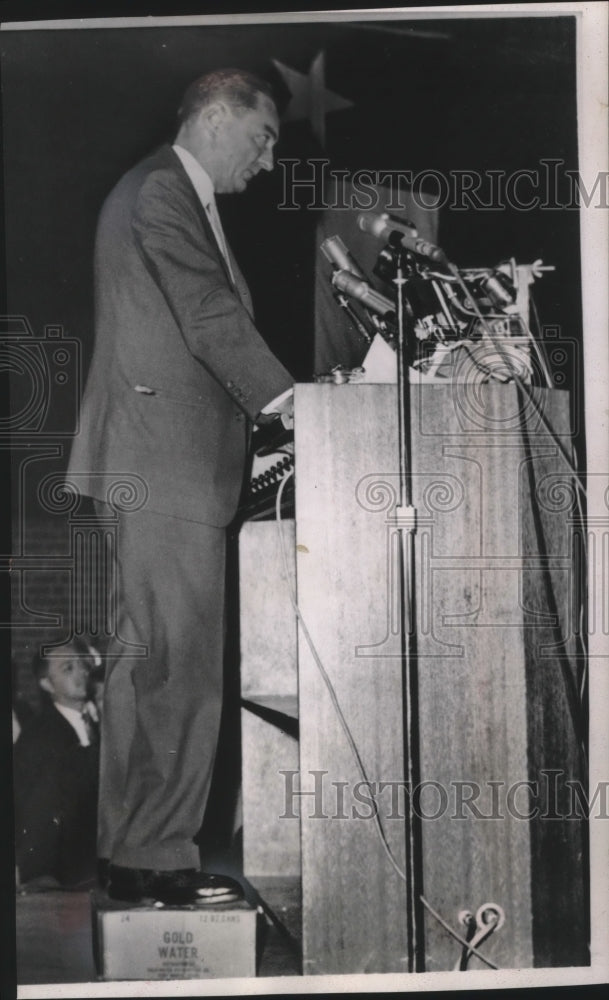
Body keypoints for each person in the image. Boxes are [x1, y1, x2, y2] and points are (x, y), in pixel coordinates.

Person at [66, 69, 293, 906]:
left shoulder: (159, 192)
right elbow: (206, 312)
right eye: (263, 137)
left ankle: (137, 852)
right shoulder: (164, 190)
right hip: (162, 466)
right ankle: (157, 858)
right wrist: (285, 401)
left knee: (148, 662)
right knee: (177, 667)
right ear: (217, 115)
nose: (268, 161)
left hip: (154, 465)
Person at [13, 640, 101, 888]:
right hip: (65, 878)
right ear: (46, 684)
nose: (82, 672)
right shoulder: (38, 738)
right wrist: (42, 877)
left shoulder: (97, 721)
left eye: (82, 665)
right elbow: (34, 817)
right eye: (67, 669)